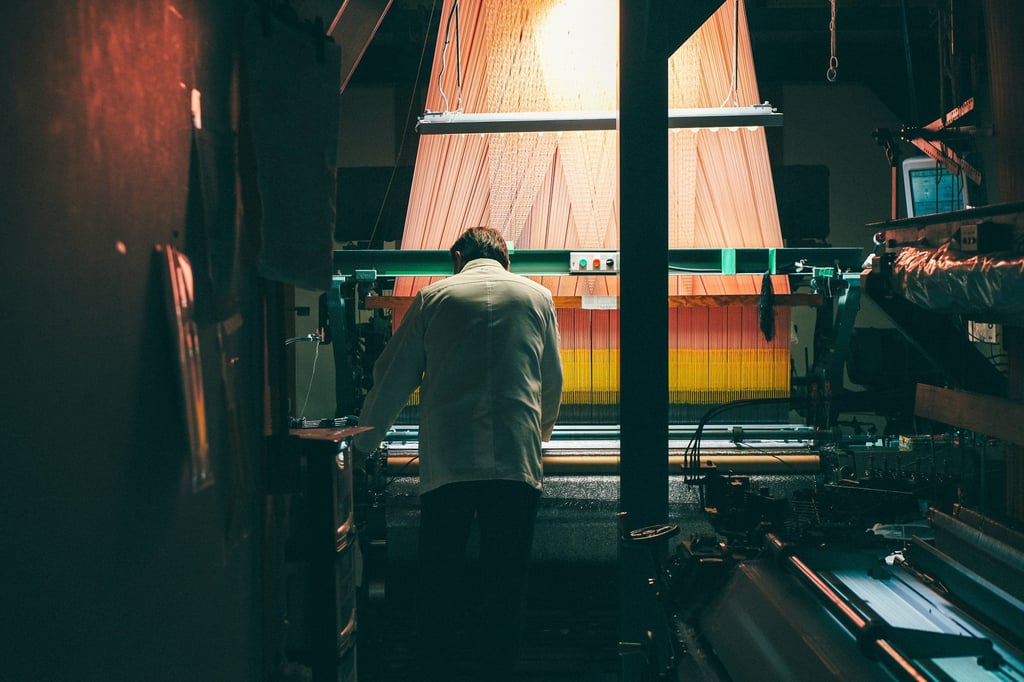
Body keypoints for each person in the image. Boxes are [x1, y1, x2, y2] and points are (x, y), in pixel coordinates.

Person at [352, 226, 563, 681]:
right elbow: (552, 381)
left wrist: (362, 446)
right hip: (514, 464)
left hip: (450, 465)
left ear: (457, 256)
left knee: (439, 583)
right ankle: (498, 672)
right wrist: (539, 436)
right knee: (504, 588)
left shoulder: (434, 298)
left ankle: (436, 669)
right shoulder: (538, 297)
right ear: (507, 259)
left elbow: (392, 378)